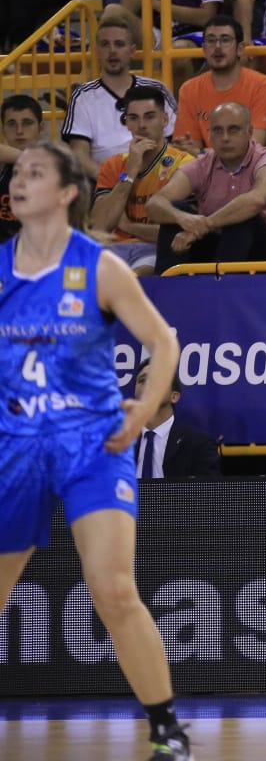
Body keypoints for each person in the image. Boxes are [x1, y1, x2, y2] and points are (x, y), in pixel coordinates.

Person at [0, 139, 194, 760]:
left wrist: (146, 404)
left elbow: (163, 343)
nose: (18, 182)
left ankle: (166, 729)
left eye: (33, 173)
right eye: (15, 174)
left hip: (92, 444)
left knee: (112, 589)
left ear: (64, 194)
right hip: (20, 446)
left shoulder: (100, 267)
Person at [145, 101, 266, 271]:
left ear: (249, 132)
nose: (225, 138)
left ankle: (220, 289)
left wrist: (205, 225)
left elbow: (257, 200)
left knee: (244, 216)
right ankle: (167, 288)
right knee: (176, 208)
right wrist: (182, 218)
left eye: (233, 130)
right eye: (218, 131)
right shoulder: (202, 164)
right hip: (222, 251)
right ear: (209, 134)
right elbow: (154, 204)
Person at [90, 84, 195, 274]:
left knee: (131, 279)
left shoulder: (183, 163)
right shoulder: (113, 165)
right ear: (126, 123)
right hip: (111, 250)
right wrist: (130, 172)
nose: (141, 126)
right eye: (133, 118)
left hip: (156, 251)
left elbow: (174, 234)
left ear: (164, 119)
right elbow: (101, 227)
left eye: (150, 116)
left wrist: (127, 225)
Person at [61, 15, 177, 176]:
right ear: (97, 51)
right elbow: (79, 154)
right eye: (105, 44)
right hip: (106, 182)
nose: (112, 51)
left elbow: (174, 141)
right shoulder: (82, 96)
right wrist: (111, 181)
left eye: (119, 44)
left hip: (157, 178)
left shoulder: (157, 89)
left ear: (132, 51)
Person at [172, 14, 266, 154]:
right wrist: (199, 153)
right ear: (204, 49)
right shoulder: (189, 89)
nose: (217, 47)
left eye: (225, 40)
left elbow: (253, 147)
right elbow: (187, 149)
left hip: (253, 168)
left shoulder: (262, 86)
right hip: (205, 168)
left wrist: (200, 152)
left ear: (240, 48)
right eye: (211, 41)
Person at [130, 357, 221, 478]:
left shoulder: (199, 445)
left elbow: (210, 494)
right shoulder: (119, 444)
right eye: (142, 380)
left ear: (174, 396)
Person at [0, 95, 45, 243]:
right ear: (3, 130)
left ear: (41, 128)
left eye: (27, 123)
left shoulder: (56, 165)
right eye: (12, 124)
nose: (19, 131)